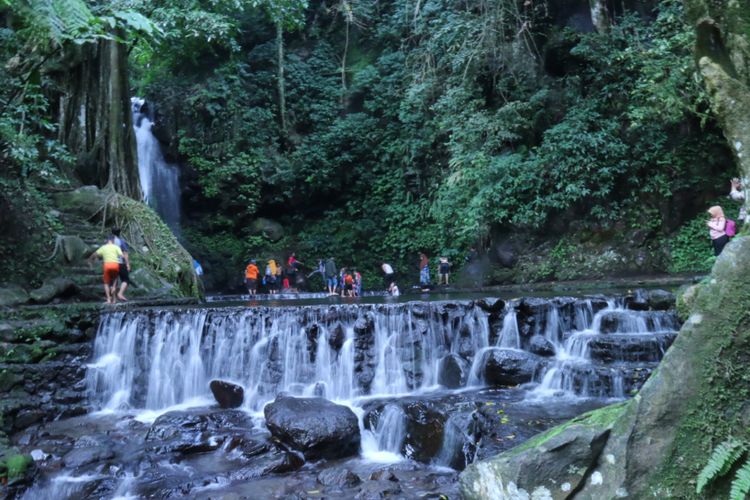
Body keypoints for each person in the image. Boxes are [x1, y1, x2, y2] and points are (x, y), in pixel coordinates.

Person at [88, 234, 123, 304]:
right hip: (115, 265)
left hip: (107, 265)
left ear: (107, 240)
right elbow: (121, 255)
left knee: (106, 283)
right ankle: (114, 298)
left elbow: (95, 254)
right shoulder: (116, 247)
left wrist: (90, 260)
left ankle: (108, 300)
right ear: (113, 240)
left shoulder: (103, 247)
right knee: (115, 279)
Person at [111, 227, 131, 302]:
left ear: (112, 233)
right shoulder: (121, 241)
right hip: (119, 263)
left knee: (114, 281)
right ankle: (120, 294)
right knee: (125, 280)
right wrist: (128, 264)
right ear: (119, 233)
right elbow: (125, 253)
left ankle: (113, 300)